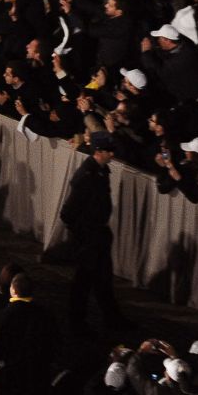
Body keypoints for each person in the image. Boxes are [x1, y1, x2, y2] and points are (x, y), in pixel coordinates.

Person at [60, 138, 125, 334]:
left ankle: (111, 318)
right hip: (89, 237)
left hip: (98, 234)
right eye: (108, 151)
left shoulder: (100, 171)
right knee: (84, 281)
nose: (112, 154)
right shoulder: (87, 176)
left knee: (102, 279)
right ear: (98, 151)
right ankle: (77, 322)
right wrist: (82, 235)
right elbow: (68, 212)